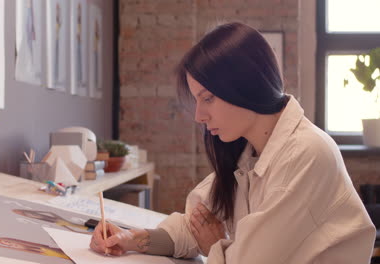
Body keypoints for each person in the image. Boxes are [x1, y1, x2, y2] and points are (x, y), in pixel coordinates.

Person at [89, 22, 376, 263]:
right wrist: (134, 239)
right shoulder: (250, 152)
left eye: (208, 98)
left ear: (244, 86)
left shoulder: (306, 153)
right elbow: (195, 225)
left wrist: (215, 245)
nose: (199, 115)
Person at [13, 209, 92, 234]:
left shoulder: (37, 214)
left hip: (58, 220)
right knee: (74, 228)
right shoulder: (32, 218)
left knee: (75, 226)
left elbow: (50, 213)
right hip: (57, 222)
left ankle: (88, 231)